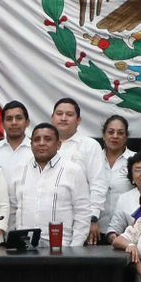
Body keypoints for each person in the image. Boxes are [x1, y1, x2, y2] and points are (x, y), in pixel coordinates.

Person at [10, 122, 91, 243]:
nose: (41, 143)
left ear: (58, 145)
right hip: (24, 246)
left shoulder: (73, 171)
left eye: (48, 139)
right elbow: (12, 208)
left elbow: (82, 212)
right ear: (31, 144)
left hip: (61, 247)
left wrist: (75, 248)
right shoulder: (19, 170)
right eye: (37, 139)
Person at [50, 98, 108, 244]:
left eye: (69, 114)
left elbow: (98, 185)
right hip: (48, 219)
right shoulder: (43, 144)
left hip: (80, 220)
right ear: (52, 118)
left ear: (78, 120)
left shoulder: (89, 146)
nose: (63, 118)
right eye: (59, 114)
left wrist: (92, 218)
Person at [104, 152, 141, 240]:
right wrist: (113, 236)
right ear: (132, 178)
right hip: (134, 249)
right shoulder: (124, 198)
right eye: (137, 170)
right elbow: (114, 228)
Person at [97, 115, 136, 228]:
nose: (115, 136)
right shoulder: (93, 159)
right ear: (104, 136)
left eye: (120, 133)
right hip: (96, 229)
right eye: (110, 132)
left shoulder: (135, 159)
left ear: (126, 137)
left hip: (127, 228)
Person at [0, 100, 33, 180]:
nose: (14, 123)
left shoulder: (37, 150)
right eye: (9, 119)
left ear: (27, 123)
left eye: (19, 118)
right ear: (2, 124)